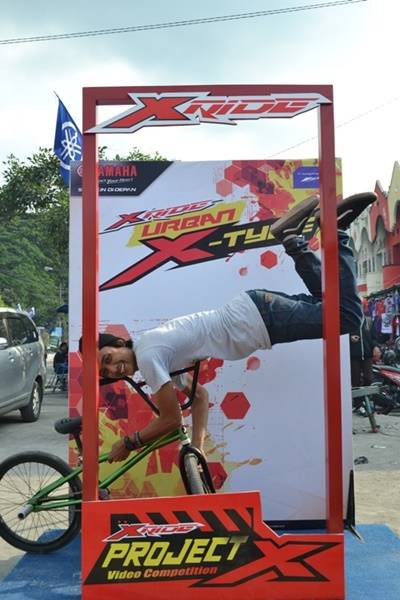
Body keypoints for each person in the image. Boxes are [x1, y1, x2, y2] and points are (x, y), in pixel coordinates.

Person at [82, 192, 377, 463]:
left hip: (256, 321)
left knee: (347, 317)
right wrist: (197, 447)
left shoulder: (148, 356)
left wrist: (128, 443)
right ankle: (293, 239)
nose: (114, 369)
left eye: (108, 359)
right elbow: (199, 397)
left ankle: (333, 230)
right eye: (106, 372)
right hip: (255, 315)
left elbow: (171, 420)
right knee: (330, 302)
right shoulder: (158, 356)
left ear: (119, 344)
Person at [350, 316, 380, 387]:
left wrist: (376, 346)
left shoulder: (368, 321)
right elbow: (342, 334)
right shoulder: (349, 320)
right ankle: (358, 394)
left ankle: (366, 393)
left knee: (368, 379)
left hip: (367, 356)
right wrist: (349, 338)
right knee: (355, 381)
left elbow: (374, 337)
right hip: (353, 356)